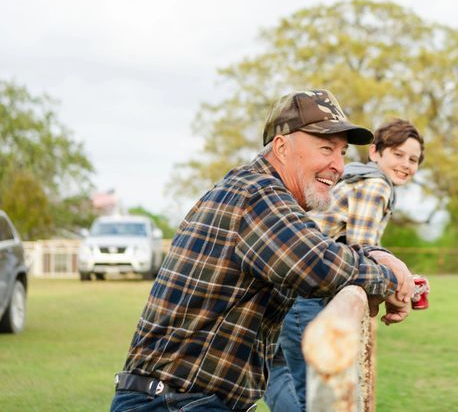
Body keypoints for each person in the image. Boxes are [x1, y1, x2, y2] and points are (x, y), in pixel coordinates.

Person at [110, 90, 414, 412]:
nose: (338, 166)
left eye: (342, 152)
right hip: (172, 402)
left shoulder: (262, 194)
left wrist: (379, 256)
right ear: (282, 147)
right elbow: (318, 265)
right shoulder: (257, 193)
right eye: (326, 148)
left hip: (186, 399)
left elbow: (320, 248)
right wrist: (390, 279)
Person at [265, 119, 424, 412]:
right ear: (375, 152)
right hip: (307, 287)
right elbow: (363, 247)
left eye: (413, 159)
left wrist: (402, 276)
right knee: (309, 390)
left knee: (278, 368)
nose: (406, 164)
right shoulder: (376, 185)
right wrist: (395, 286)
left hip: (291, 279)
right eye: (398, 154)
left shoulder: (354, 177)